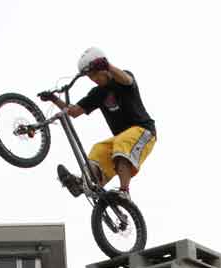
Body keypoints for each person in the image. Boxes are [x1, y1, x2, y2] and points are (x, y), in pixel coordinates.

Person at [40, 47, 156, 203]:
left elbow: (128, 80)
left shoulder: (122, 79)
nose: (93, 79)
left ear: (102, 68)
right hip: (121, 138)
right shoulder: (97, 93)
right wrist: (54, 99)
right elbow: (74, 111)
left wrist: (107, 66)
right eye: (89, 76)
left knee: (122, 144)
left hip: (143, 131)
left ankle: (124, 192)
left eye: (94, 74)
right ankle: (82, 184)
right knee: (98, 149)